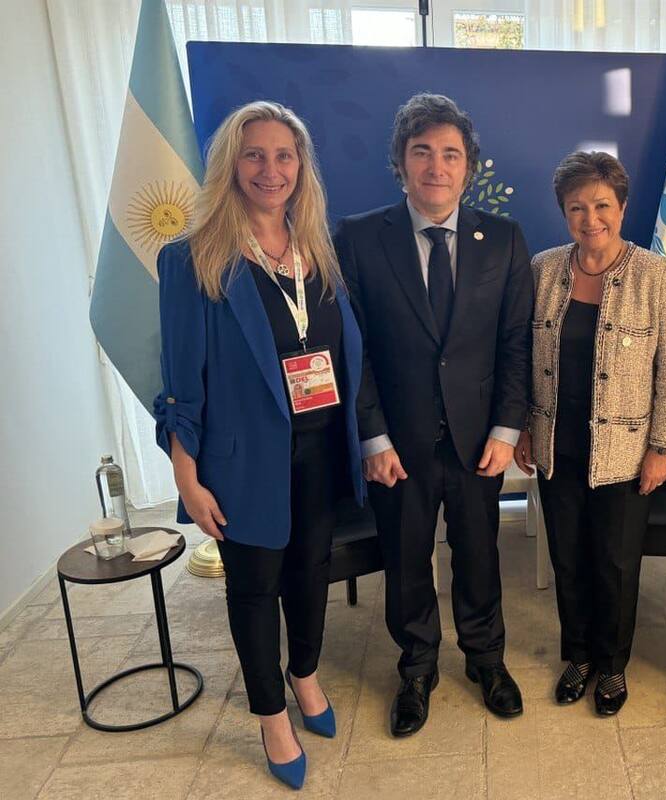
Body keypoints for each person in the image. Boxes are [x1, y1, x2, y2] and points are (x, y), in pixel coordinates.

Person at [155, 101, 365, 789]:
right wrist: (187, 477)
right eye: (254, 155)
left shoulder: (318, 250)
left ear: (301, 166)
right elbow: (181, 386)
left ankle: (304, 674)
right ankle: (272, 715)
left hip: (322, 450)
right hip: (243, 462)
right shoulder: (192, 259)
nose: (270, 170)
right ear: (230, 165)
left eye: (283, 155)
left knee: (310, 571)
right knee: (254, 588)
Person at [333, 93, 532, 736]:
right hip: (397, 443)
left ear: (468, 166)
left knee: (479, 554)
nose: (436, 167)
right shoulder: (359, 238)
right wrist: (372, 437)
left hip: (479, 441)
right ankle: (417, 666)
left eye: (450, 154)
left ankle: (486, 658)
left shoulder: (502, 239)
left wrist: (507, 429)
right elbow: (352, 350)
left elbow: (515, 342)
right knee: (406, 558)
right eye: (422, 152)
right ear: (401, 162)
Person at [513, 152, 666, 715]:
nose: (591, 220)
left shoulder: (655, 275)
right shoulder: (543, 270)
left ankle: (612, 665)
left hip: (627, 451)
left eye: (602, 206)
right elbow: (523, 357)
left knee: (615, 563)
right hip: (556, 445)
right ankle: (579, 656)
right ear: (564, 212)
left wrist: (662, 448)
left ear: (623, 207)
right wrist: (523, 428)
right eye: (577, 208)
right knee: (568, 558)